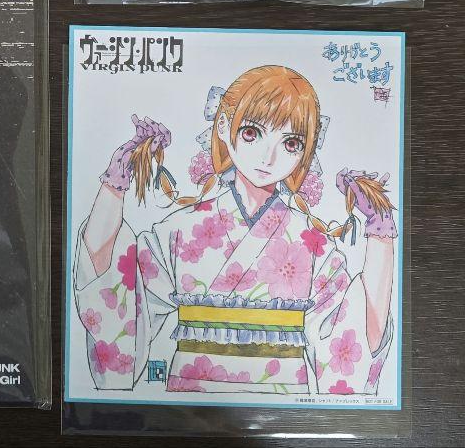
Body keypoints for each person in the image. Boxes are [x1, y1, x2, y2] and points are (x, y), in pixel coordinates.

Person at [74, 65, 396, 397]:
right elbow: (115, 296)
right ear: (224, 127)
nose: (268, 157)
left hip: (284, 404)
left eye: (291, 143)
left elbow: (355, 332)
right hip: (188, 402)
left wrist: (380, 235)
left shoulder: (313, 244)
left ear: (306, 152)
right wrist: (113, 189)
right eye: (252, 133)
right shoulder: (180, 230)